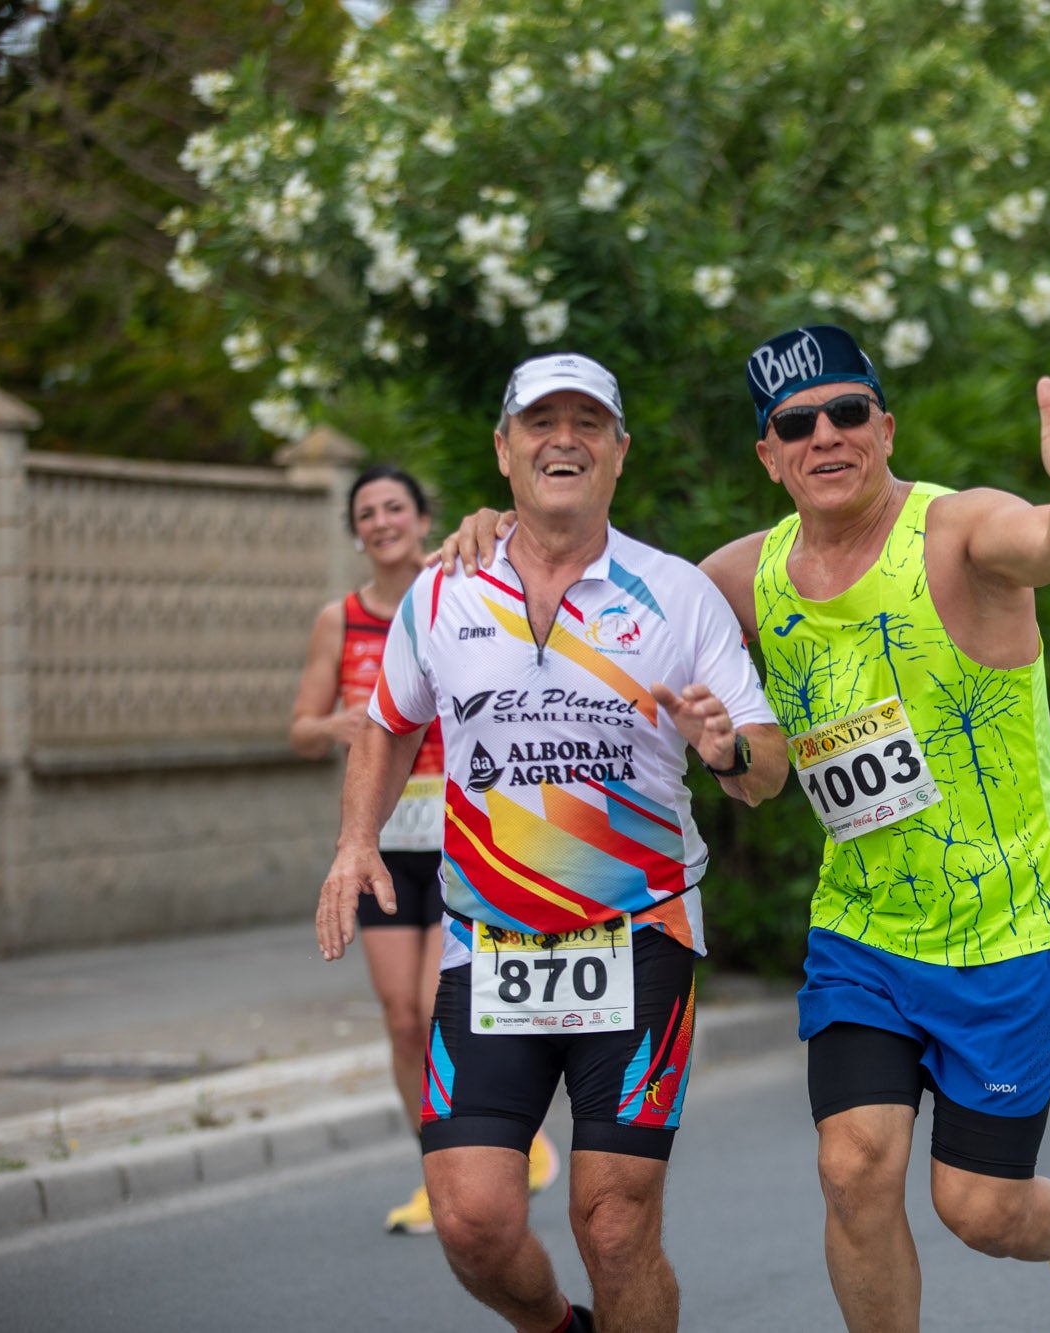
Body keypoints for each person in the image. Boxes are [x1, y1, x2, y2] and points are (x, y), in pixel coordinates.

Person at [435, 325, 1050, 1332]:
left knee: (976, 1207)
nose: (825, 435)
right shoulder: (741, 575)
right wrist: (501, 526)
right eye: (795, 423)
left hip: (1009, 928)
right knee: (851, 1169)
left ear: (884, 426)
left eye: (847, 412)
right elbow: (605, 580)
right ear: (769, 455)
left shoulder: (957, 531)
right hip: (861, 928)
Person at [315, 353, 788, 1333]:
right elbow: (388, 720)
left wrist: (729, 746)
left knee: (613, 1227)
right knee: (472, 1223)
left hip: (636, 936)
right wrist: (356, 839)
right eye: (539, 421)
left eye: (586, 422)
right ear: (503, 448)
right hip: (485, 948)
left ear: (618, 452)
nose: (560, 438)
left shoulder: (675, 594)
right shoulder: (442, 593)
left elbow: (765, 766)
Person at [290, 465, 560, 1234]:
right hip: (383, 842)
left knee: (449, 1006)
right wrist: (346, 726)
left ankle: (512, 1143)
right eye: (366, 512)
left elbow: (527, 529)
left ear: (421, 517)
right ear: (355, 530)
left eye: (394, 508)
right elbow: (300, 728)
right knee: (400, 1016)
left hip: (462, 834)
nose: (381, 521)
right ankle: (434, 1170)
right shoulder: (337, 620)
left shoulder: (456, 583)